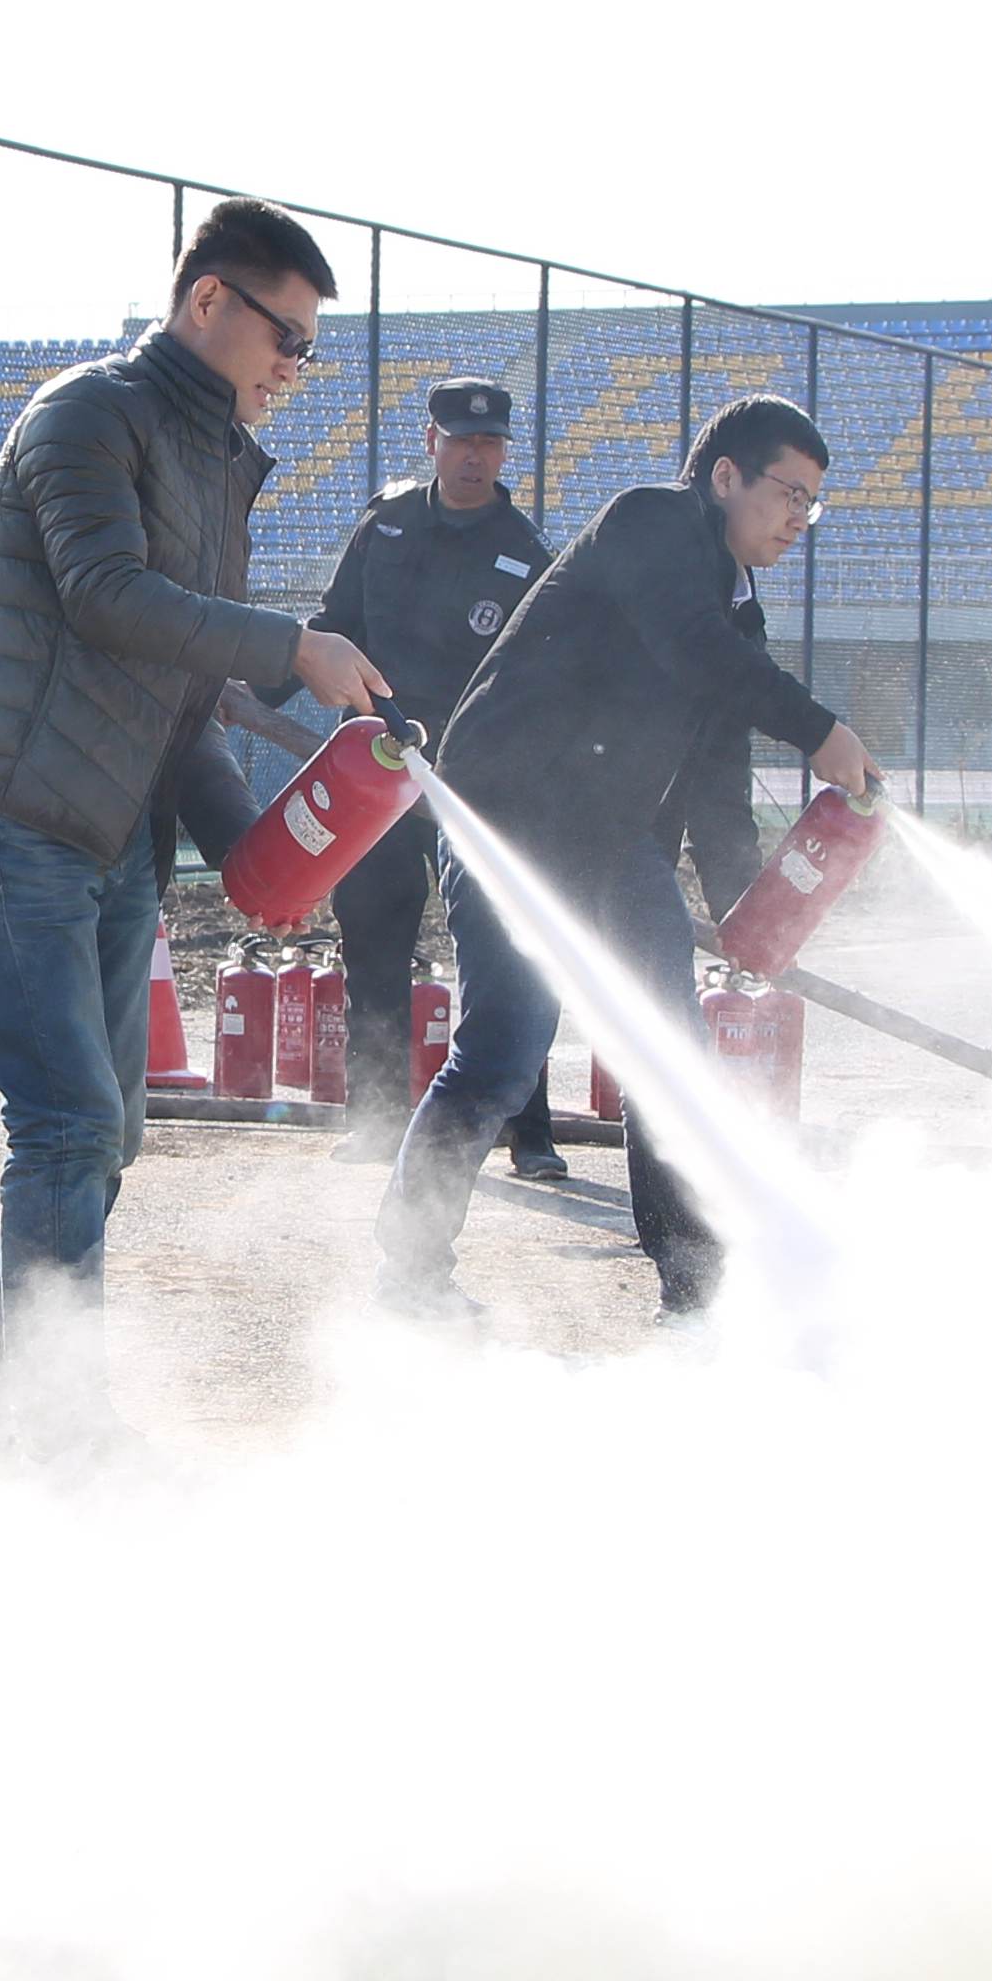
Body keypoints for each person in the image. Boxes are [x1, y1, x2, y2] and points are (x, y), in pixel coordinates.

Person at [0, 197, 395, 1459]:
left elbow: (184, 693)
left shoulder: (216, 464)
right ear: (209, 303)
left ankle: (29, 1388)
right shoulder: (89, 413)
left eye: (309, 349)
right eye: (286, 336)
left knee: (109, 1126)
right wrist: (292, 642)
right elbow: (109, 597)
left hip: (114, 829)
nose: (296, 368)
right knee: (67, 1117)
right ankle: (43, 1427)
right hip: (10, 809)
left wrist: (252, 853)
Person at [366, 395, 884, 1325]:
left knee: (670, 1056)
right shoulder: (649, 520)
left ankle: (693, 1294)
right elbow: (688, 648)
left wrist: (749, 919)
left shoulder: (741, 620)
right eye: (788, 494)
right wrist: (818, 730)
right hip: (510, 820)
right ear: (724, 477)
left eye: (814, 502)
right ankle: (407, 1274)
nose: (799, 519)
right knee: (504, 1051)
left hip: (616, 843)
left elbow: (720, 785)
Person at [292, 376, 566, 1176]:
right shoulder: (385, 525)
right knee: (372, 943)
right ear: (431, 442)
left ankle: (529, 1129)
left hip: (474, 785)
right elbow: (332, 626)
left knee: (503, 953)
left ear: (505, 451)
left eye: (489, 444)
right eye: (459, 440)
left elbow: (541, 680)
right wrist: (255, 682)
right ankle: (374, 1120)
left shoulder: (525, 554)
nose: (474, 456)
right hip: (371, 773)